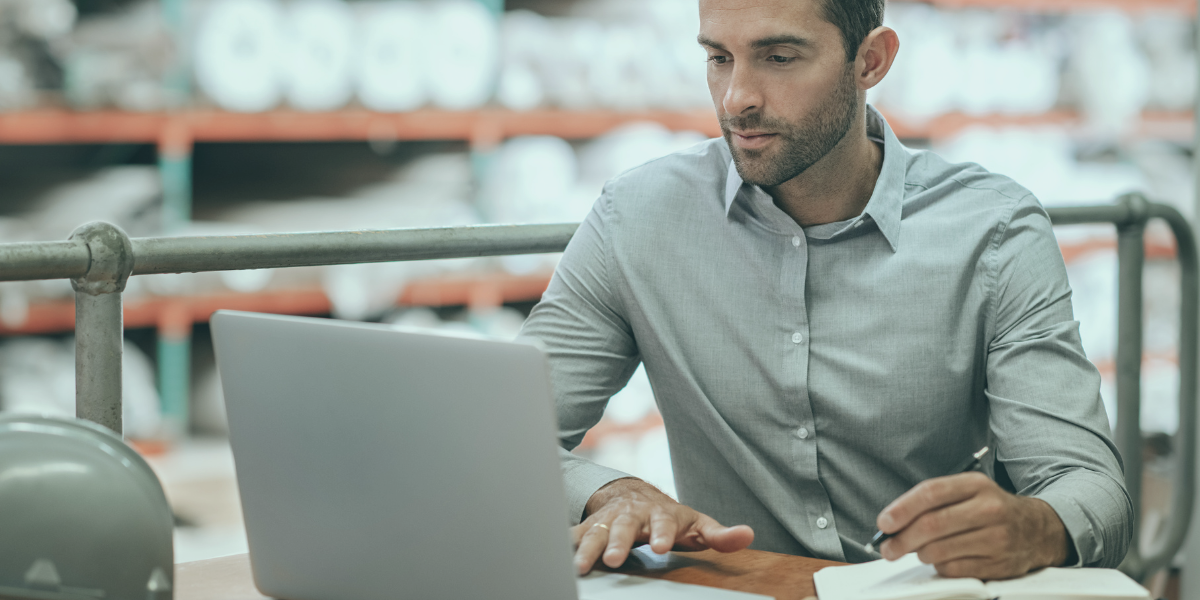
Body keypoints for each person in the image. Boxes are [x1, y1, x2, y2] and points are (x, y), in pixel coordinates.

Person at [517, 0, 1132, 580]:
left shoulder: (993, 232)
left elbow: (1089, 485)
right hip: (739, 589)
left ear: (871, 61)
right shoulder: (638, 218)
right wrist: (611, 492)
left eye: (779, 57)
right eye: (719, 57)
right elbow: (505, 438)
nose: (737, 99)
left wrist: (1033, 525)